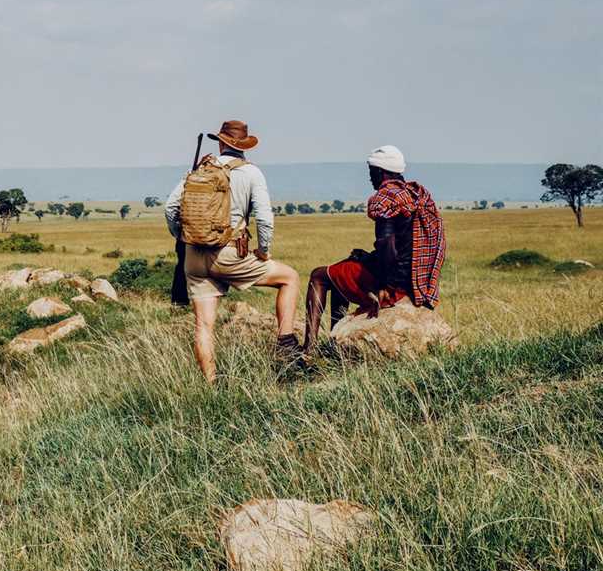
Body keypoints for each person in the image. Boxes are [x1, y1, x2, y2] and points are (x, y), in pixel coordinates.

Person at [165, 120, 301, 383]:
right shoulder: (251, 173)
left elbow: (171, 209)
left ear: (221, 142)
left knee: (204, 326)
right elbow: (264, 218)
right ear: (243, 146)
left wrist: (184, 238)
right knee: (290, 278)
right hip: (229, 254)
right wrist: (263, 250)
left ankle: (212, 385)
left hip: (193, 256)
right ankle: (286, 348)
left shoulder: (198, 169)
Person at [302, 145, 446, 357]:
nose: (370, 178)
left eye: (371, 172)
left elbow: (387, 246)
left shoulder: (386, 198)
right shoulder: (416, 194)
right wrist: (368, 258)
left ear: (380, 171)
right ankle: (334, 338)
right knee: (340, 270)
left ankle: (309, 349)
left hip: (396, 285)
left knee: (319, 276)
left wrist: (386, 286)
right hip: (417, 283)